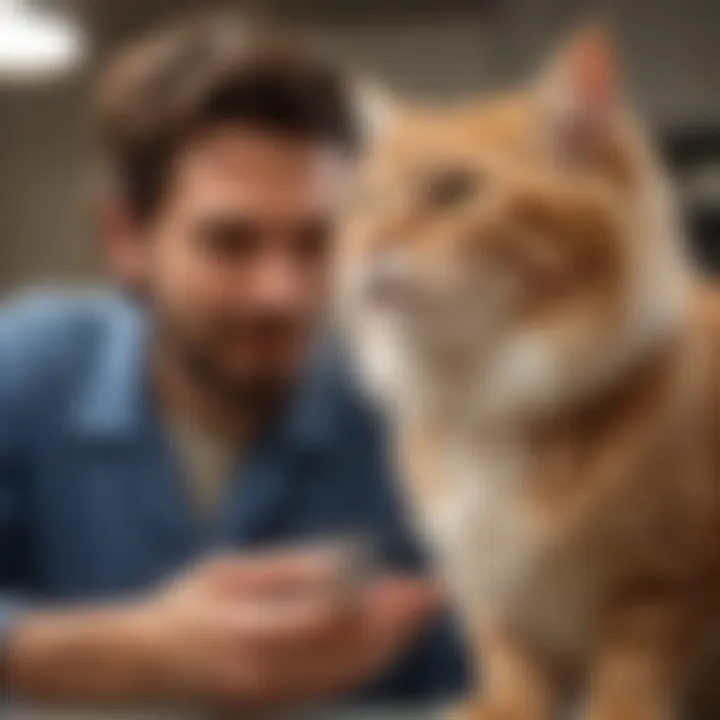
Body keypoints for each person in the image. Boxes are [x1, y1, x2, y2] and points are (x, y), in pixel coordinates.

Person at [0, 14, 467, 714]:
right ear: (126, 238)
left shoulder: (408, 412)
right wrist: (142, 650)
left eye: (315, 242)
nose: (283, 291)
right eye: (230, 243)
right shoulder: (27, 369)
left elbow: (500, 678)